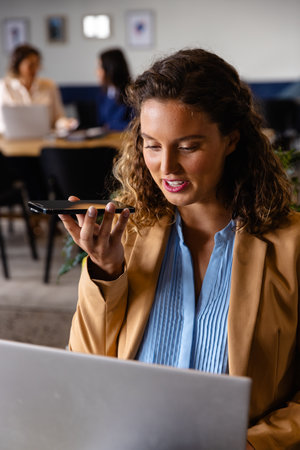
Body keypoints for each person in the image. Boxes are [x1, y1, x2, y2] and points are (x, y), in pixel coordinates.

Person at [59, 48, 300, 449]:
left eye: (188, 147)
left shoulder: (291, 246)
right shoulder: (127, 239)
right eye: (152, 145)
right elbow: (84, 371)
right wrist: (105, 273)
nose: (167, 167)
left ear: (232, 140)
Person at [0, 43, 77, 133]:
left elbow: (58, 117)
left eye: (37, 64)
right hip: (14, 140)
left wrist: (66, 124)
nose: (35, 69)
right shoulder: (4, 87)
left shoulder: (49, 85)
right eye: (30, 65)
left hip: (44, 139)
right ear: (18, 66)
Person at [95, 47, 132, 131]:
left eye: (100, 67)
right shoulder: (103, 93)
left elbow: (134, 125)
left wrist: (110, 126)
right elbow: (101, 122)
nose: (97, 72)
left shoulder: (131, 93)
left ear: (110, 69)